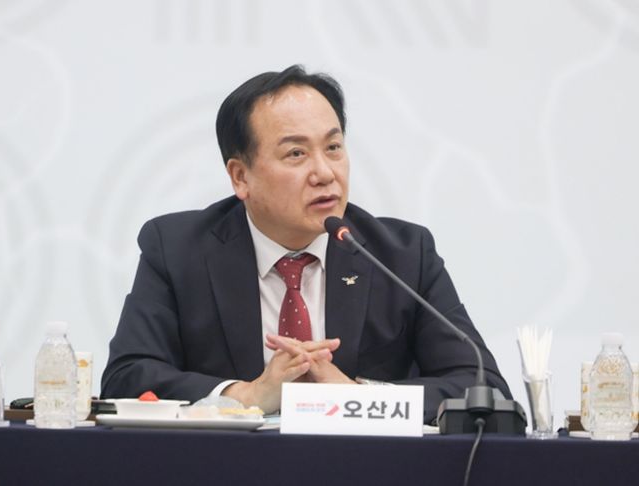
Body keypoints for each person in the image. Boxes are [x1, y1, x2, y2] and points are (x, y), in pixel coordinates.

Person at [100, 65, 512, 422]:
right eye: (296, 154)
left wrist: (357, 397)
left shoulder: (402, 254)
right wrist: (246, 395)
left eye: (333, 148)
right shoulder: (178, 249)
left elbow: (483, 386)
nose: (325, 173)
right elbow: (126, 378)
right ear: (241, 177)